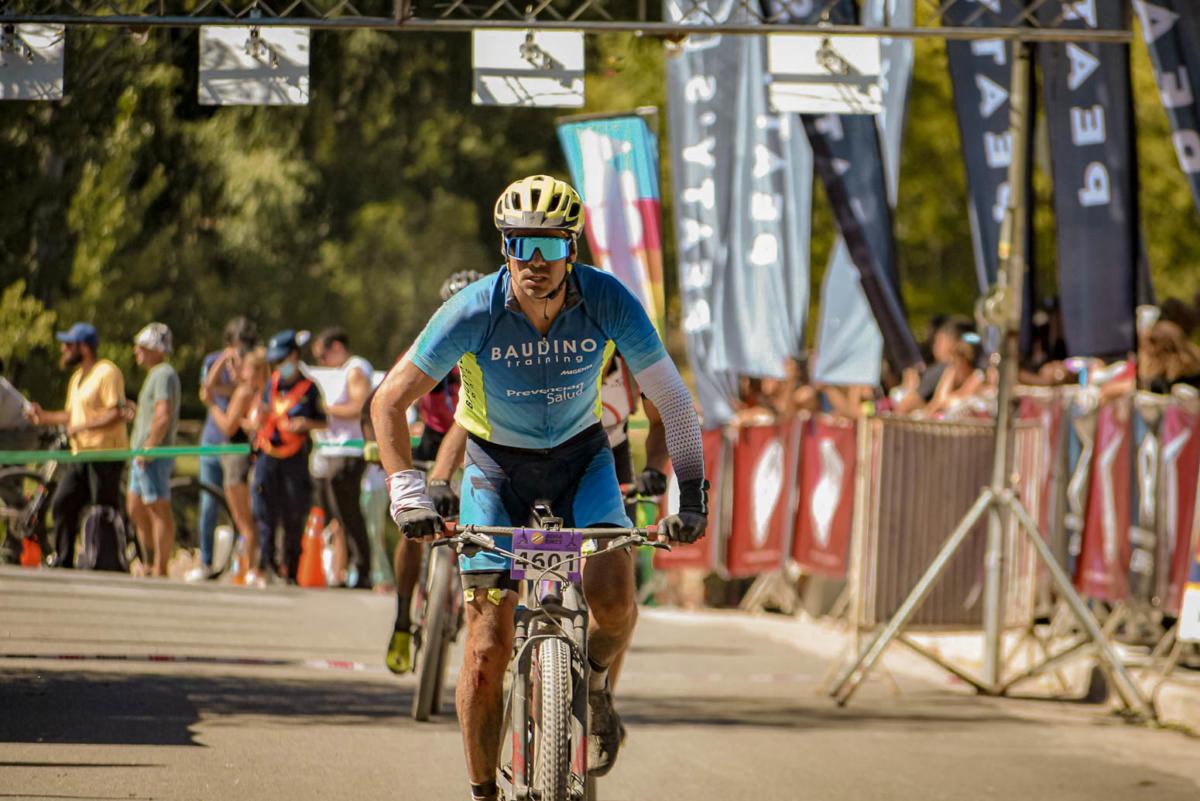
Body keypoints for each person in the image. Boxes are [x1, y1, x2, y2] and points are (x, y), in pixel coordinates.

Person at [370, 175, 708, 801]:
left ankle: (596, 683)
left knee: (614, 605)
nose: (533, 261)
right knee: (484, 651)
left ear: (571, 249)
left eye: (548, 246)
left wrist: (690, 497)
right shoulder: (472, 309)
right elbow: (388, 401)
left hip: (584, 461)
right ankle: (483, 793)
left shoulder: (608, 299)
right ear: (504, 248)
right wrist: (408, 493)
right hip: (495, 468)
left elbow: (675, 404)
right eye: (519, 244)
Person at [384, 270, 477, 674]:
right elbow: (388, 397)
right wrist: (383, 446)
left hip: (478, 439)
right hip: (432, 439)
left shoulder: (492, 343)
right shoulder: (431, 344)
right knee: (412, 528)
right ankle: (402, 617)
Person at [25, 323, 128, 567]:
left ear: (84, 347)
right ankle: (64, 560)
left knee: (102, 510)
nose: (63, 349)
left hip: (105, 454)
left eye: (68, 345)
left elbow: (116, 412)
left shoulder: (107, 372)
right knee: (63, 502)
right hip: (79, 454)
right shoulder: (77, 378)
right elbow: (72, 416)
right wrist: (44, 417)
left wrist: (82, 427)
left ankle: (106, 562)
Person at [252, 330, 326, 582]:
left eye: (281, 359)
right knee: (265, 512)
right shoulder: (271, 384)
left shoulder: (310, 388)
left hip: (295, 458)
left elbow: (323, 421)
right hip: (268, 455)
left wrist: (306, 424)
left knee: (294, 512)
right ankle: (265, 565)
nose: (278, 365)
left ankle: (291, 568)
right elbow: (263, 411)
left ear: (294, 356)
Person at [191, 317, 258, 582]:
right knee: (208, 504)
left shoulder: (251, 366)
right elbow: (207, 387)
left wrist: (215, 394)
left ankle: (246, 565)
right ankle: (206, 561)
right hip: (212, 442)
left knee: (243, 513)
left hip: (234, 446)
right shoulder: (214, 360)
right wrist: (223, 359)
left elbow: (236, 390)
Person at [311, 327, 375, 589]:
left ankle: (362, 568)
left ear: (337, 347)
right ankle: (347, 568)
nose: (322, 362)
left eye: (323, 356)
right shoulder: (344, 371)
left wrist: (326, 410)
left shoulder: (355, 369)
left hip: (350, 452)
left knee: (349, 514)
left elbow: (360, 406)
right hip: (336, 452)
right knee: (340, 516)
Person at [205, 348, 269, 586]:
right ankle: (250, 565)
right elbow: (210, 385)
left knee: (243, 520)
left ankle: (251, 567)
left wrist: (212, 407)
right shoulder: (259, 393)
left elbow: (227, 426)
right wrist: (223, 359)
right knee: (247, 519)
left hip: (236, 457)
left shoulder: (244, 392)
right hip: (242, 457)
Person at [126, 323, 182, 578]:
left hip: (152, 455)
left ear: (155, 349)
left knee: (158, 508)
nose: (136, 351)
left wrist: (149, 448)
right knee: (135, 506)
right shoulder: (156, 374)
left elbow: (162, 415)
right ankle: (149, 563)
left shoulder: (163, 373)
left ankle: (160, 567)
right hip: (142, 455)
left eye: (142, 346)